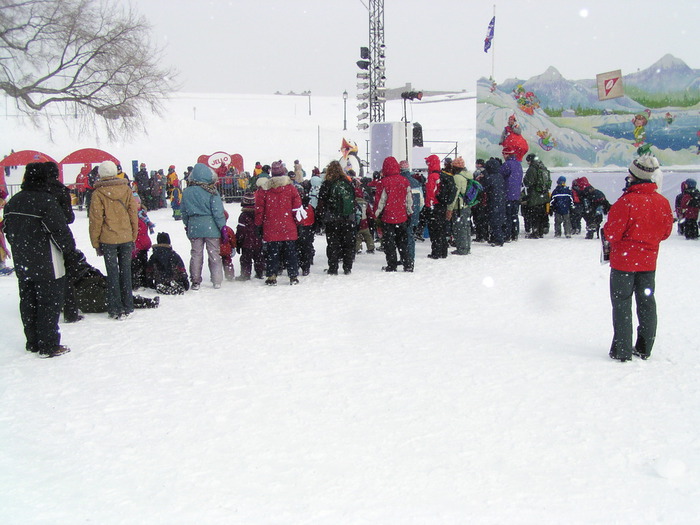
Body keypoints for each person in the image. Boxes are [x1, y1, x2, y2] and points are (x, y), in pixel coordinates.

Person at [3, 162, 76, 357]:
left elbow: (8, 230)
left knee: (28, 301)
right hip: (47, 261)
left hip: (23, 261)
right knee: (48, 303)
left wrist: (20, 249)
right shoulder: (46, 201)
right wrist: (70, 253)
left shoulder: (14, 202)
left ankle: (33, 341)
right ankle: (48, 344)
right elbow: (60, 231)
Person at [605, 154, 673, 362]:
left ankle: (622, 349)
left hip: (623, 263)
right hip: (648, 262)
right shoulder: (662, 202)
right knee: (647, 302)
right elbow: (666, 232)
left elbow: (612, 233)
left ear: (633, 175)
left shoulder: (625, 202)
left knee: (622, 303)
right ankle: (644, 346)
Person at [89, 160, 139, 319]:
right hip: (125, 237)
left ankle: (115, 308)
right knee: (126, 272)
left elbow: (96, 220)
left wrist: (95, 242)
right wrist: (133, 236)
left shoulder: (98, 193)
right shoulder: (126, 189)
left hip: (108, 238)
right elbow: (133, 214)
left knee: (112, 274)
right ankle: (128, 305)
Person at [255, 160, 303, 284]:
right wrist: (299, 224)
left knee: (272, 253)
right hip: (288, 226)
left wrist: (259, 224)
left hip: (270, 226)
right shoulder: (291, 188)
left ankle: (271, 276)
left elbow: (259, 209)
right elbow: (297, 208)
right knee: (290, 252)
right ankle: (293, 276)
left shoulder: (264, 190)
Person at [180, 163, 226, 290]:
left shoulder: (187, 192)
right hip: (211, 227)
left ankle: (195, 281)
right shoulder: (212, 191)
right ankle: (216, 280)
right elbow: (217, 212)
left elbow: (183, 211)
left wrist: (188, 224)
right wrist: (222, 227)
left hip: (194, 226)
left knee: (196, 254)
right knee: (214, 254)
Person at [374, 156, 413, 272]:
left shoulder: (383, 182)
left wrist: (375, 215)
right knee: (403, 242)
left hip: (388, 218)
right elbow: (409, 199)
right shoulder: (404, 181)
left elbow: (380, 201)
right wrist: (409, 212)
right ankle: (408, 264)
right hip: (402, 216)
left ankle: (392, 265)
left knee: (389, 243)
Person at [317, 160, 356, 275]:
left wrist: (321, 216)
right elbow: (353, 199)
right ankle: (347, 267)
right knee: (348, 243)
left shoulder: (327, 184)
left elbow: (321, 202)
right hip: (348, 217)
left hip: (332, 218)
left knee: (333, 243)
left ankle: (333, 268)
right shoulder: (347, 182)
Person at [235, 192, 264, 280]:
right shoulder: (258, 214)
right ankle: (260, 273)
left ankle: (245, 274)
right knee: (258, 258)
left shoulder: (243, 216)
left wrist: (238, 242)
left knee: (245, 259)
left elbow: (241, 230)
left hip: (246, 242)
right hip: (258, 241)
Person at [448, 156, 473, 255]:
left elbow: (455, 194)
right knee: (466, 227)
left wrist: (449, 209)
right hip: (467, 204)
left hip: (459, 206)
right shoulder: (468, 175)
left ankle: (462, 248)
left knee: (459, 228)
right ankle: (467, 247)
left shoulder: (457, 177)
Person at [522, 154, 551, 239]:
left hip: (535, 195)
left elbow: (529, 182)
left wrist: (525, 181)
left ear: (530, 160)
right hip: (544, 195)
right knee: (542, 214)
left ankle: (535, 232)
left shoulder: (532, 169)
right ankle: (541, 231)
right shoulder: (543, 168)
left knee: (534, 215)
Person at [500, 146, 524, 241]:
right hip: (516, 194)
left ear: (507, 154)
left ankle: (507, 235)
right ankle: (515, 234)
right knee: (514, 215)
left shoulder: (507, 165)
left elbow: (500, 175)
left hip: (507, 193)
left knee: (507, 216)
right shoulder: (518, 165)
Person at [481, 157, 507, 246]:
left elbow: (484, 188)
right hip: (501, 200)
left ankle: (498, 239)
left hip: (493, 200)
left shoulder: (490, 177)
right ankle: (495, 237)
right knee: (499, 220)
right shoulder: (499, 176)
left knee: (494, 221)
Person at [220, 210, 237, 281]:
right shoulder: (228, 229)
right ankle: (229, 275)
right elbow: (232, 239)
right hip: (226, 249)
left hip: (215, 249)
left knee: (215, 263)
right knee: (227, 262)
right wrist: (233, 246)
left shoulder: (213, 230)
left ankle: (216, 276)